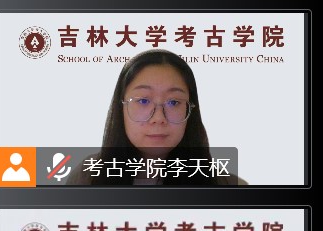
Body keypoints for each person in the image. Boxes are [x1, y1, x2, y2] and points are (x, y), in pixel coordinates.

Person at [79, 50, 247, 186]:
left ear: (190, 109)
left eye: (174, 102)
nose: (158, 118)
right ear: (121, 107)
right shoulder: (88, 176)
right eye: (143, 101)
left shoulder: (229, 186)